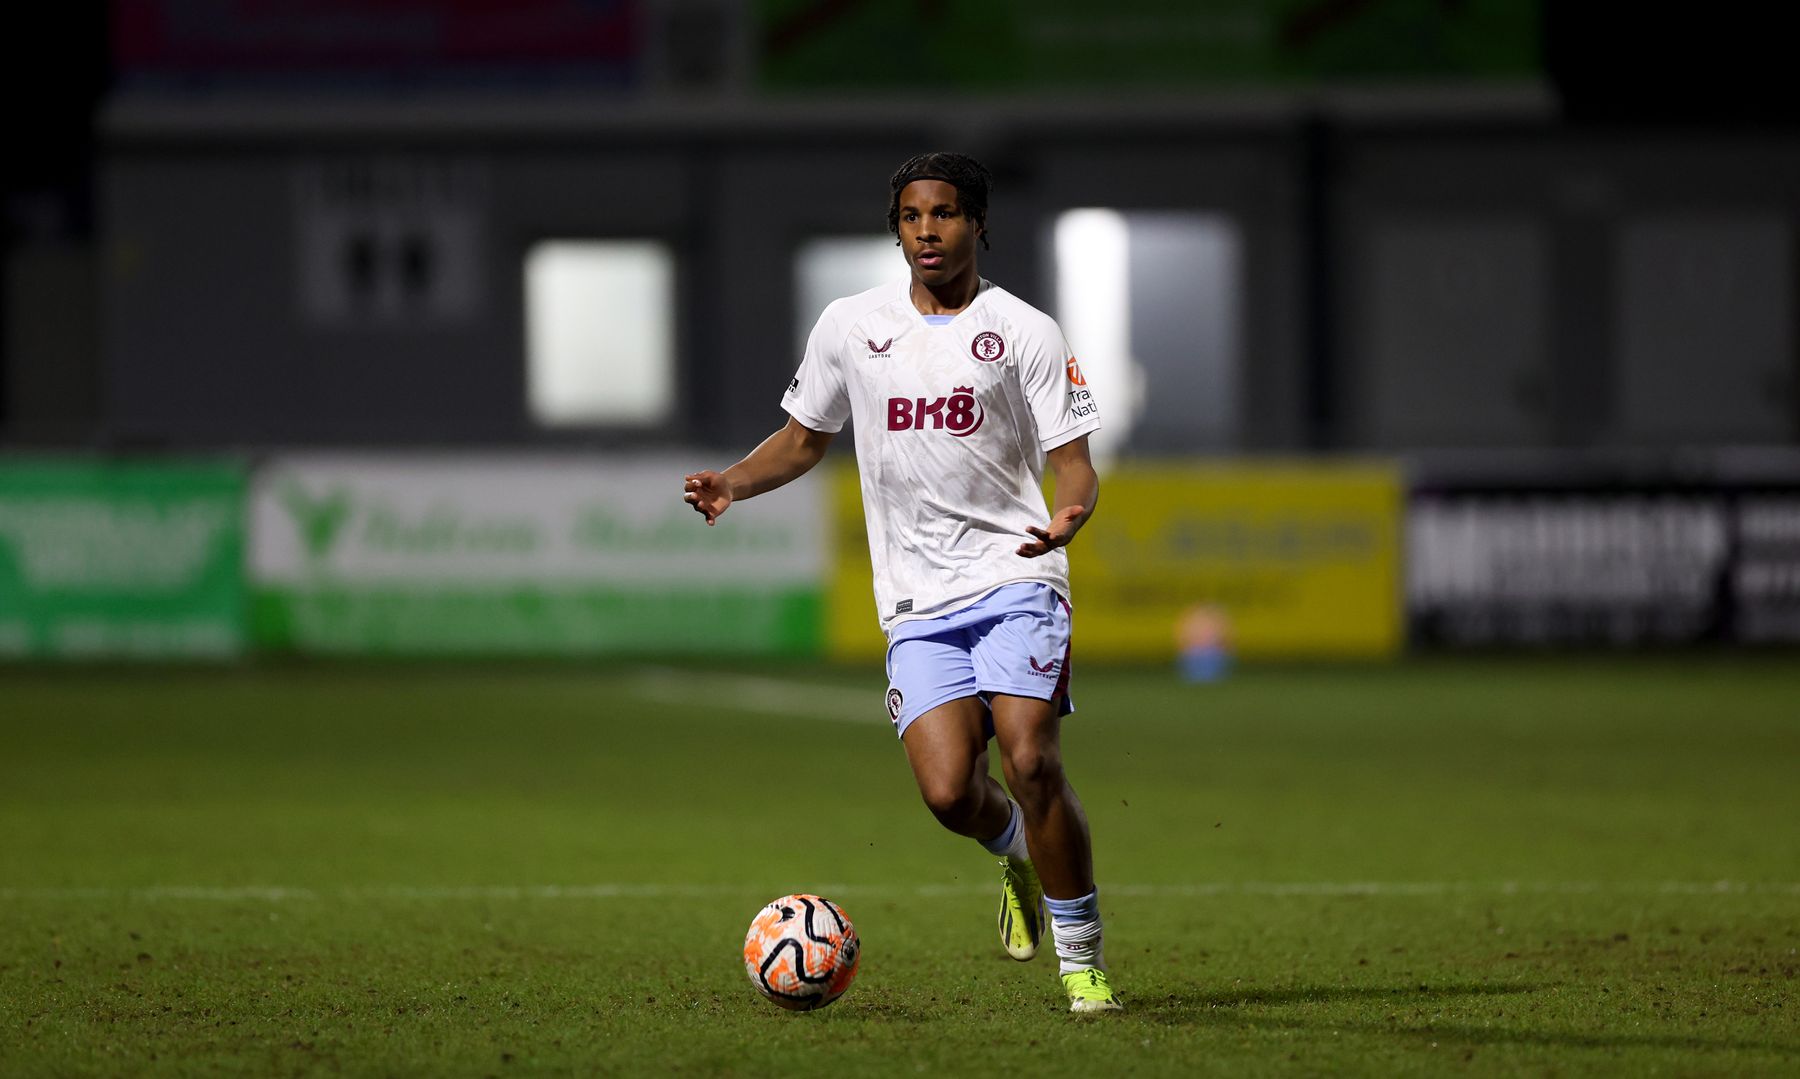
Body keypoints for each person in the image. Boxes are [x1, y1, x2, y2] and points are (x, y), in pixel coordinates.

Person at [683, 152, 1120, 1013]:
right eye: (914, 216)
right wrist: (733, 480)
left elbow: (1073, 461)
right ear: (898, 227)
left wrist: (1072, 510)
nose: (929, 230)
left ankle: (1083, 960)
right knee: (950, 790)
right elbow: (805, 437)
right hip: (917, 600)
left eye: (947, 214)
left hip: (1016, 572)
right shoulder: (852, 325)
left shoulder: (1024, 330)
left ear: (979, 225)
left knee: (1031, 756)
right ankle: (1016, 856)